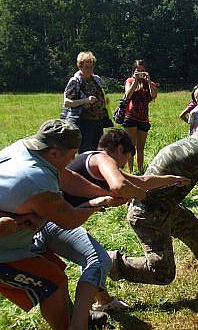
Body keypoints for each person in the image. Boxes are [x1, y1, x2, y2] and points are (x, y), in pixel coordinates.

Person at [0, 119, 123, 330]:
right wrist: (94, 204)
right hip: (6, 251)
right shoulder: (37, 180)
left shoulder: (25, 148)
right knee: (53, 282)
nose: (74, 158)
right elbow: (69, 220)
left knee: (54, 271)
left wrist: (105, 192)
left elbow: (68, 178)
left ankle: (75, 319)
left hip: (15, 236)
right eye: (71, 154)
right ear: (55, 153)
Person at [108, 114, 198, 285]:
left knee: (196, 231)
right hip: (149, 213)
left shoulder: (186, 143)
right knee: (162, 272)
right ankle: (111, 262)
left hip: (162, 205)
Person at [63, 128, 191, 311]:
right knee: (96, 258)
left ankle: (103, 301)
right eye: (126, 159)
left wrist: (171, 179)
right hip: (54, 220)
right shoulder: (102, 159)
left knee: (93, 257)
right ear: (120, 149)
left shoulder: (90, 159)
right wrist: (142, 197)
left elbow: (142, 180)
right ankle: (83, 313)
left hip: (62, 217)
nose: (123, 165)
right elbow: (121, 186)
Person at [63, 51, 109, 153]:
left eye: (91, 67)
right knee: (85, 151)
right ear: (80, 66)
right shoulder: (75, 81)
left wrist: (105, 99)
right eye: (86, 67)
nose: (89, 70)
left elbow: (104, 93)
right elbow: (67, 102)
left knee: (98, 150)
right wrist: (85, 101)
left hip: (98, 121)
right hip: (83, 122)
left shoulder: (96, 79)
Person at [122, 59, 158, 173]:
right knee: (130, 147)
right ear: (134, 71)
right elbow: (128, 95)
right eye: (138, 71)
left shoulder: (150, 84)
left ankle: (141, 170)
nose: (140, 73)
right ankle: (131, 171)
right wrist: (135, 81)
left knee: (141, 148)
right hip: (131, 117)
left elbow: (154, 96)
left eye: (142, 71)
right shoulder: (130, 81)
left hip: (143, 119)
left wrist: (148, 81)